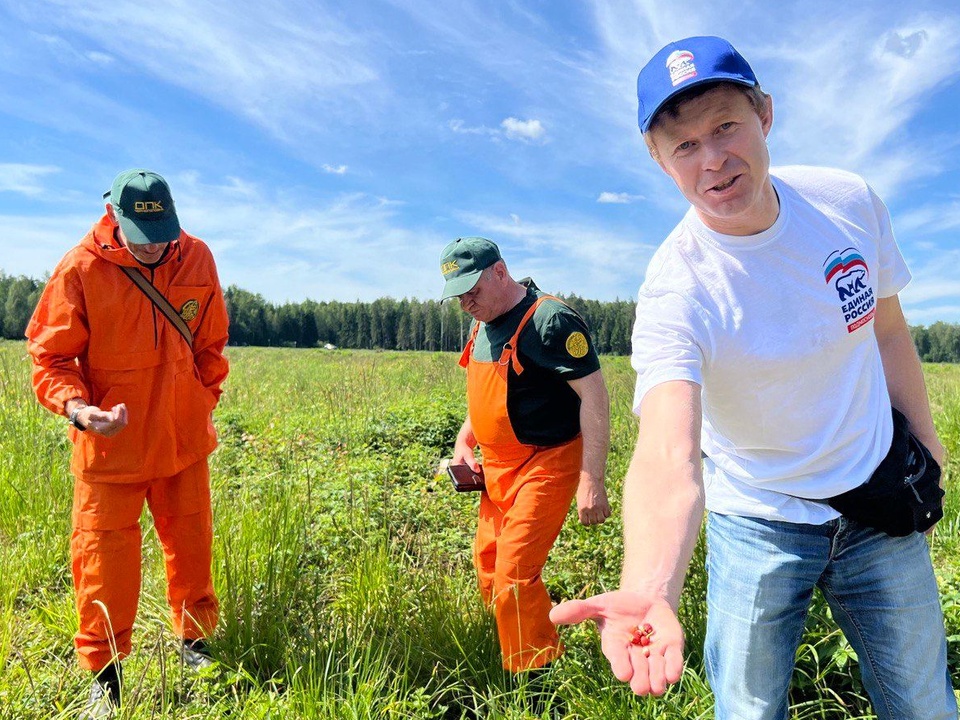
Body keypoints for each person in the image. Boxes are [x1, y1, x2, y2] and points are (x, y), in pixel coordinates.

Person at [549, 36, 957, 720]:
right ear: (658, 160)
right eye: (683, 145)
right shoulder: (678, 288)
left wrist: (926, 440)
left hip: (878, 501)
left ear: (765, 114)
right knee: (747, 709)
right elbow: (668, 452)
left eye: (725, 126)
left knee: (925, 704)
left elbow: (886, 329)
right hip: (757, 519)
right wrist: (652, 585)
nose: (712, 159)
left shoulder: (847, 205)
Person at [26, 169, 229, 718]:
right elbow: (50, 358)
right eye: (144, 237)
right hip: (109, 449)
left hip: (182, 440)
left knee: (191, 545)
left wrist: (201, 400)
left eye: (164, 232)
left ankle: (195, 643)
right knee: (102, 560)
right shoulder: (80, 268)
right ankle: (106, 673)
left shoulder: (197, 257)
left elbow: (211, 344)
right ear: (113, 217)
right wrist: (79, 409)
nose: (156, 247)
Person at [440, 236, 611, 681]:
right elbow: (488, 396)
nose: (467, 304)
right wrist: (465, 442)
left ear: (500, 271)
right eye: (459, 296)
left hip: (546, 464)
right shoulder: (482, 323)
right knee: (488, 564)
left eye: (472, 291)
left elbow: (594, 397)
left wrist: (593, 479)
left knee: (514, 573)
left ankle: (537, 684)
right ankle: (523, 642)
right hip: (496, 469)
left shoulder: (550, 321)